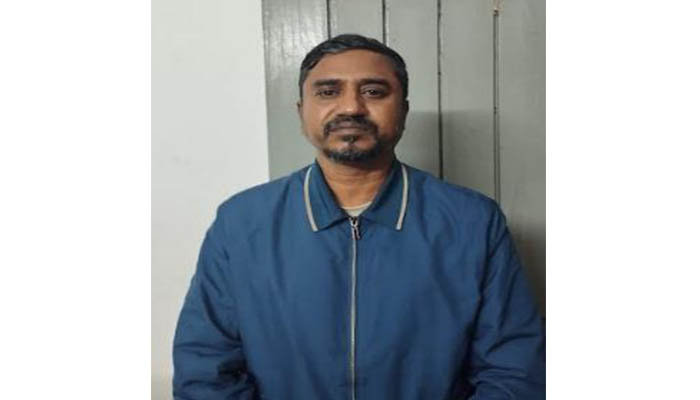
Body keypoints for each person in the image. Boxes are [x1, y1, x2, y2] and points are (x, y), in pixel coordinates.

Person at [173, 34, 545, 399]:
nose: (351, 107)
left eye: (373, 91)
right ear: (301, 111)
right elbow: (205, 369)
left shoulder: (473, 222)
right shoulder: (241, 223)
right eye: (328, 91)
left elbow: (514, 369)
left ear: (403, 110)